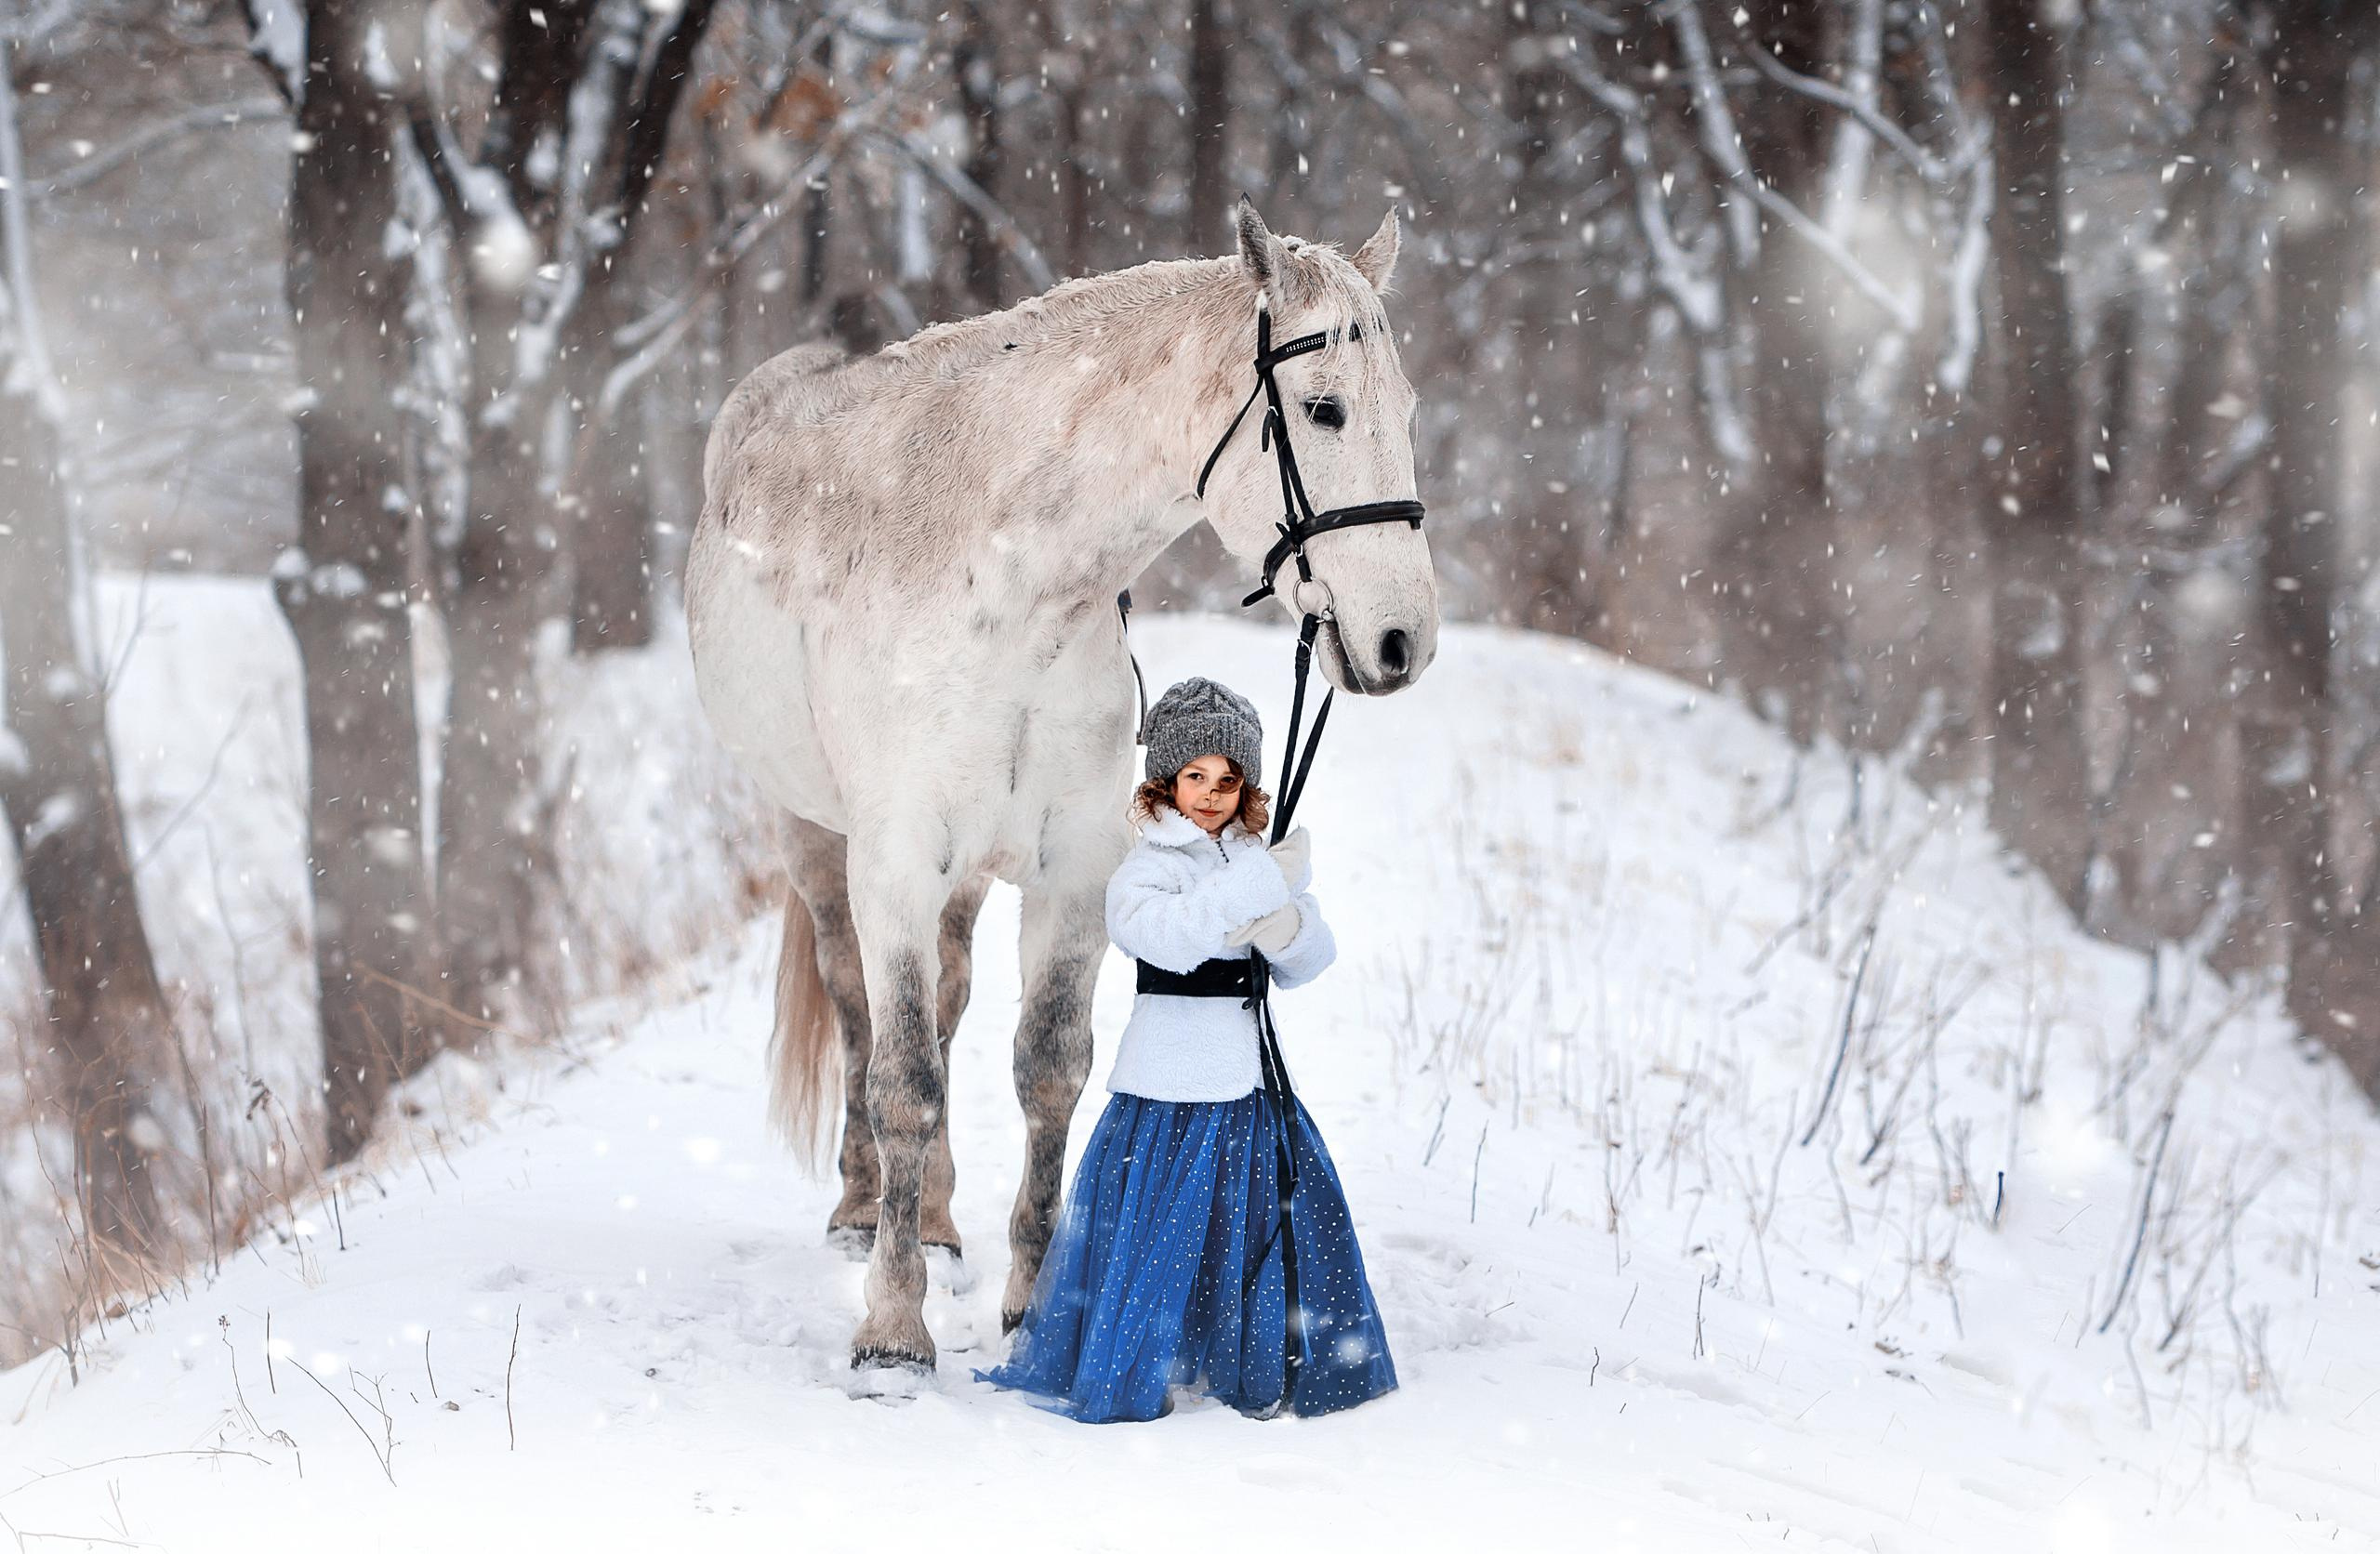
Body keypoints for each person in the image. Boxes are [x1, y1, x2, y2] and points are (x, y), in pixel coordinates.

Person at [973, 677, 1399, 1423]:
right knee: (1158, 1240)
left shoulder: (1253, 860)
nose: (1210, 795)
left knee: (1255, 1226)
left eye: (1227, 781)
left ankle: (1256, 1352)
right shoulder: (1146, 869)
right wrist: (1257, 890)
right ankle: (1142, 1359)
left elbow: (1310, 962)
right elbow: (1166, 939)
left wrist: (1285, 925)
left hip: (1249, 1085)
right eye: (1194, 777)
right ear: (1165, 782)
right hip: (1166, 1089)